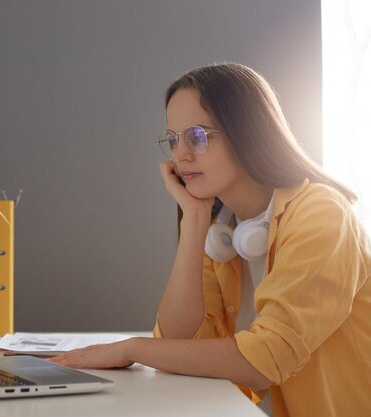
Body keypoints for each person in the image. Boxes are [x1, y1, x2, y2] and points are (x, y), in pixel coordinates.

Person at [49, 63, 371, 417]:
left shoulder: (322, 214)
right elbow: (178, 343)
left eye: (197, 136)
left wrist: (131, 349)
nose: (180, 155)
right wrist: (194, 220)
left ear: (246, 133)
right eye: (173, 139)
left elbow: (265, 360)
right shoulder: (223, 230)